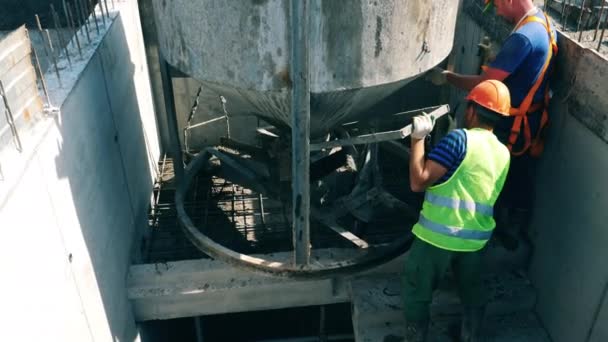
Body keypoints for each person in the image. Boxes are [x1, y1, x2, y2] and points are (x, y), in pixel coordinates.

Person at [427, 0, 558, 250]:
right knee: (516, 176)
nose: (495, 11)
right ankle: (505, 231)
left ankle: (489, 236)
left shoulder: (524, 37)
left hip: (512, 126)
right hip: (528, 121)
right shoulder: (543, 24)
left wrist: (448, 78)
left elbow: (483, 85)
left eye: (494, 4)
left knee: (496, 180)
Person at [402, 80, 512, 342]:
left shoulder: (458, 140)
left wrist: (418, 139)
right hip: (475, 240)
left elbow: (418, 181)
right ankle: (469, 336)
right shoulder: (503, 152)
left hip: (436, 238)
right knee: (472, 290)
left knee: (417, 290)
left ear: (472, 110)